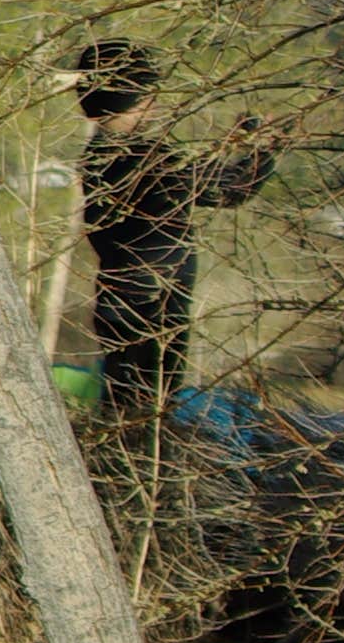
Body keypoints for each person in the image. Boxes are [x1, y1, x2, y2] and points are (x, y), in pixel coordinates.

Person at [70, 39, 271, 407]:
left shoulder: (97, 159)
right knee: (152, 408)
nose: (156, 104)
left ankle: (117, 457)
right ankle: (141, 460)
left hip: (118, 302)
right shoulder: (148, 159)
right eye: (148, 95)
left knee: (123, 403)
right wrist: (266, 149)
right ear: (133, 99)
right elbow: (232, 188)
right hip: (154, 308)